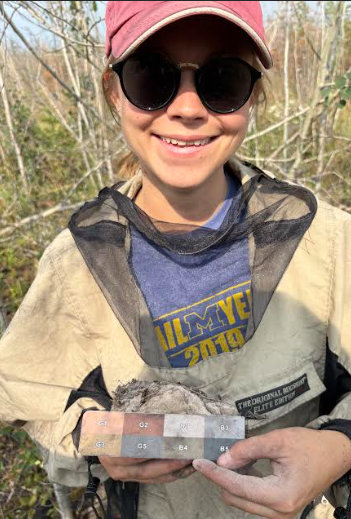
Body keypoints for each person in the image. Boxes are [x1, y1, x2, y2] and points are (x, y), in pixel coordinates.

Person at [1, 2, 351, 519]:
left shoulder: (324, 240)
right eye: (152, 76)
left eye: (223, 79)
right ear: (113, 91)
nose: (188, 108)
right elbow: (28, 394)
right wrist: (96, 436)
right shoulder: (77, 263)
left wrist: (339, 446)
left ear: (253, 96)